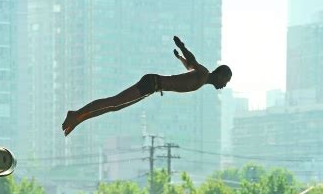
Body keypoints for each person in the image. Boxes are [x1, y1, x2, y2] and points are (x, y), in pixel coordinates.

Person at [62, 35, 232, 136]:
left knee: (115, 107)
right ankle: (75, 114)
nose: (225, 85)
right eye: (226, 80)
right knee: (114, 101)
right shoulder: (204, 74)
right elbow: (193, 61)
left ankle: (79, 119)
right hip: (152, 83)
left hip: (153, 87)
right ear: (221, 75)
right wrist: (182, 47)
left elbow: (189, 66)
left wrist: (179, 57)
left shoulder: (201, 78)